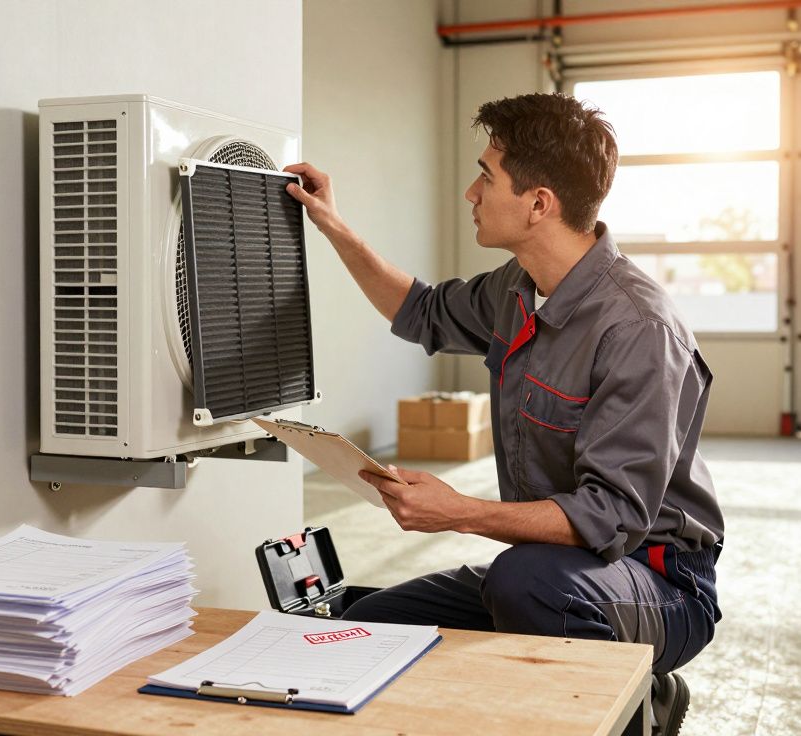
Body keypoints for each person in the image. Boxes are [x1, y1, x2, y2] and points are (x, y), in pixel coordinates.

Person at [283, 93, 724, 736]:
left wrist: (457, 511)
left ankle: (637, 705)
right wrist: (331, 222)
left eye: (486, 176)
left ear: (538, 203)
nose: (471, 191)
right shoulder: (517, 287)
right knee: (365, 625)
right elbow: (421, 311)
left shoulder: (637, 328)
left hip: (661, 582)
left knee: (527, 582)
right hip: (557, 569)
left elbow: (612, 517)